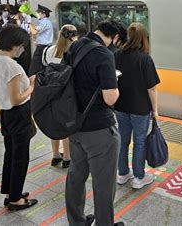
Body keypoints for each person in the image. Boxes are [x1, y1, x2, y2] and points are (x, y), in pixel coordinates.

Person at [65, 21, 122, 226]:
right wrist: (116, 86)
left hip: (75, 125)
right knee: (104, 183)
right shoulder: (104, 54)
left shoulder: (76, 45)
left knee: (76, 177)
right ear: (114, 37)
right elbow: (110, 98)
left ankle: (77, 221)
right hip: (99, 129)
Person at [0, 25, 38, 211]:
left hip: (5, 114)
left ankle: (10, 192)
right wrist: (31, 86)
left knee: (11, 154)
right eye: (22, 45)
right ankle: (16, 199)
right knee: (20, 157)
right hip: (18, 115)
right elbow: (17, 98)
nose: (22, 48)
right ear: (15, 45)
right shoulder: (11, 66)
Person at [114, 23, 160, 190]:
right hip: (140, 108)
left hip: (120, 106)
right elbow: (152, 88)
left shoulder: (116, 55)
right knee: (139, 141)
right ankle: (139, 177)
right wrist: (155, 110)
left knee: (123, 140)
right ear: (143, 38)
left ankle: (123, 173)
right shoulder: (145, 58)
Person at [42, 24, 78, 169]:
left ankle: (55, 155)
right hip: (67, 94)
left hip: (51, 93)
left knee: (55, 125)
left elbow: (45, 69)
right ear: (74, 36)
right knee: (67, 126)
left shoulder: (49, 50)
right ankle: (68, 158)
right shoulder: (73, 51)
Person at [29, 5, 54, 75]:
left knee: (35, 67)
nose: (37, 14)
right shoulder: (44, 22)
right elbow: (35, 28)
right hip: (43, 46)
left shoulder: (45, 22)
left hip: (42, 48)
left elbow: (34, 32)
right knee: (40, 66)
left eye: (38, 13)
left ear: (43, 14)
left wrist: (29, 23)